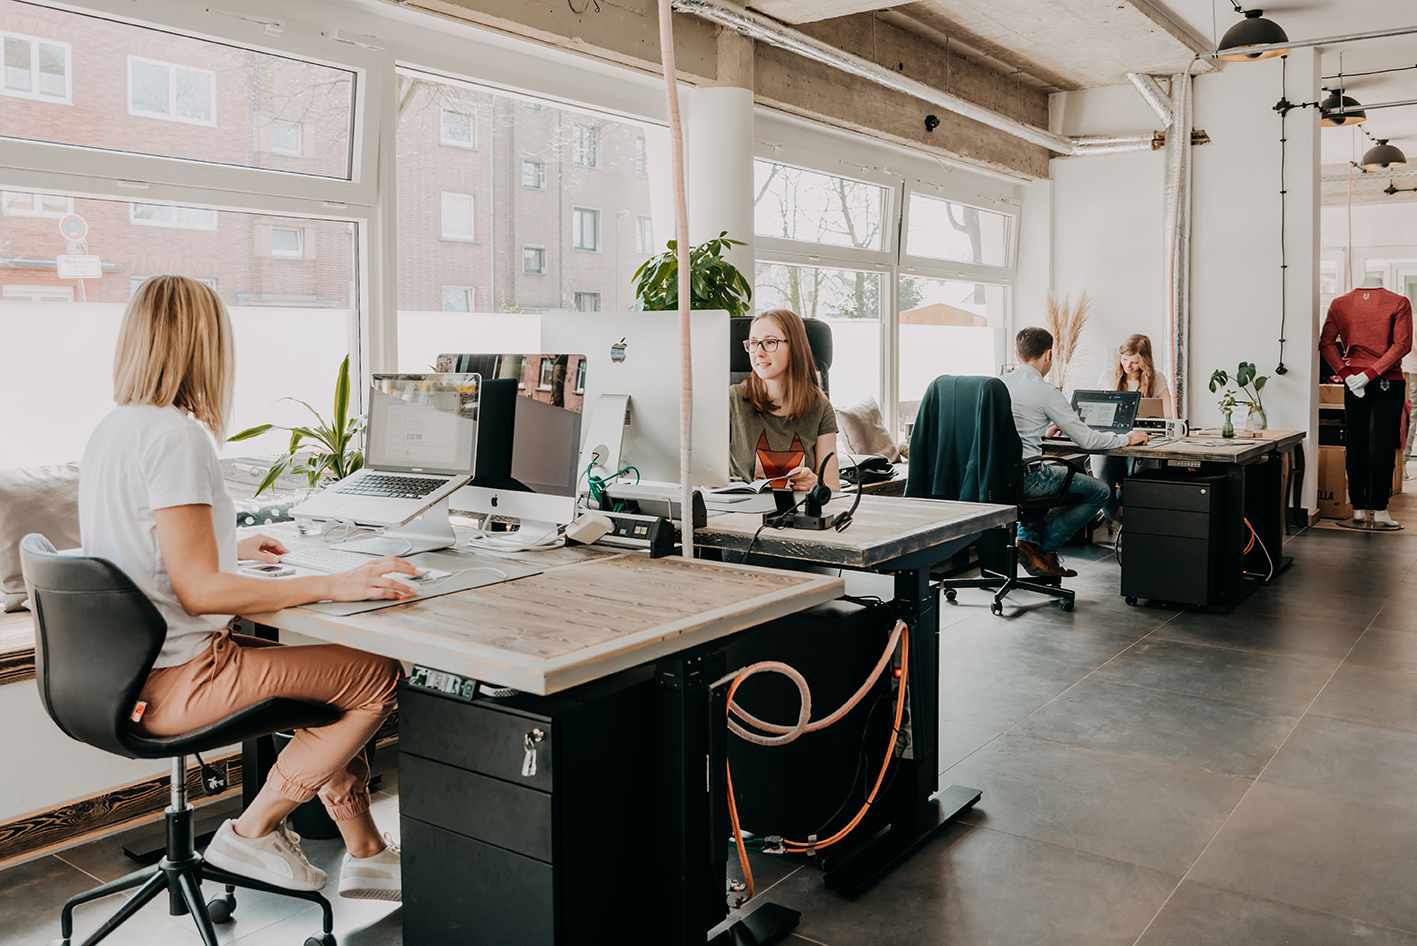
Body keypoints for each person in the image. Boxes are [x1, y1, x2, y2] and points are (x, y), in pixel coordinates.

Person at [79, 275, 417, 901]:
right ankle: (252, 831)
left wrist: (225, 546)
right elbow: (201, 593)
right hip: (183, 679)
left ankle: (368, 851)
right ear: (204, 344)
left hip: (123, 675)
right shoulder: (176, 435)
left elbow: (131, 544)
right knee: (375, 675)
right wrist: (334, 583)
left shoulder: (115, 428)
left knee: (328, 685)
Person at [1002, 326, 1149, 578]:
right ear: (1048, 355)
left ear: (1017, 355)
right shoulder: (1046, 391)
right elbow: (1087, 439)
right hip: (1029, 477)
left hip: (998, 478)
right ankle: (1043, 548)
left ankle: (1029, 544)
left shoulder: (997, 385)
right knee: (1101, 491)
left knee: (1047, 476)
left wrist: (1042, 432)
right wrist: (1127, 437)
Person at [729, 308, 840, 492]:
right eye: (753, 343)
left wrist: (815, 483)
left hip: (798, 508)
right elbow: (705, 475)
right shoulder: (732, 401)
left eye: (770, 342)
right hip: (742, 508)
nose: (758, 353)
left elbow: (833, 487)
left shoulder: (820, 407)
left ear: (795, 347)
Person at [1093, 333, 1172, 525]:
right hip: (1111, 440)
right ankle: (1114, 513)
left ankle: (1127, 516)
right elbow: (1095, 413)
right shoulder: (1107, 376)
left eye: (1134, 362)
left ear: (1145, 361)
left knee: (1139, 472)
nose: (1128, 366)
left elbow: (1170, 418)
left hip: (1142, 441)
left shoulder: (1157, 379)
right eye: (1125, 359)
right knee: (1100, 473)